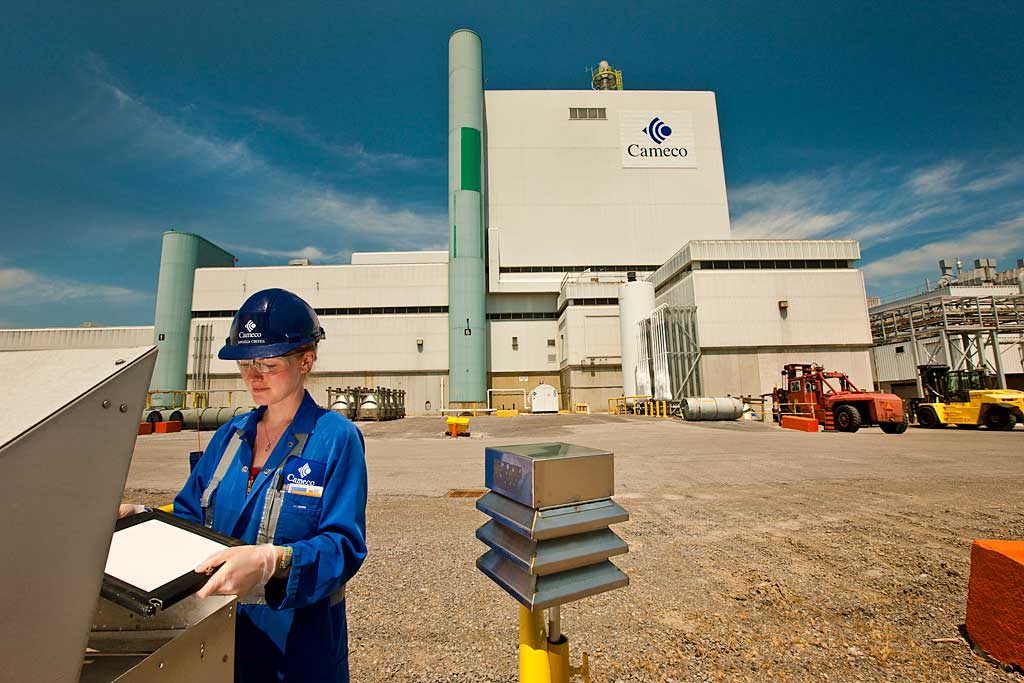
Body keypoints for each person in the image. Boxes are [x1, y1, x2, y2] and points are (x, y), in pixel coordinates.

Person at [121, 288, 367, 682]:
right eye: (245, 363)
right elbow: (190, 517)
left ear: (306, 360)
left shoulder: (336, 438)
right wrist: (144, 519)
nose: (254, 376)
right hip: (215, 634)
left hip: (297, 646)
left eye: (268, 364)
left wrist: (273, 561)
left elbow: (343, 546)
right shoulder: (229, 437)